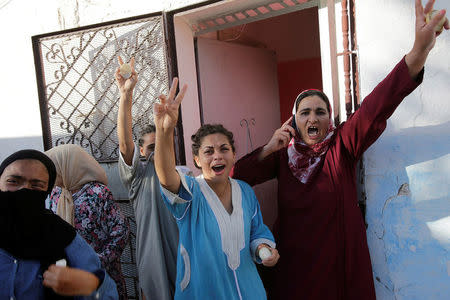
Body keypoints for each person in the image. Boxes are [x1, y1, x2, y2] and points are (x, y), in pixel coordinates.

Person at [231, 1, 449, 299]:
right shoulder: (281, 157)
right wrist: (268, 148)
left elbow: (377, 106)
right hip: (294, 273)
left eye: (320, 111)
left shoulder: (342, 146)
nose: (312, 118)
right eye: (304, 112)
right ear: (293, 120)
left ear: (329, 119)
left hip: (339, 273)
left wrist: (418, 53)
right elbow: (236, 175)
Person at [154, 78, 280, 299]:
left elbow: (256, 232)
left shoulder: (245, 191)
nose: (217, 156)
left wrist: (263, 250)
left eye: (224, 149)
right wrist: (165, 131)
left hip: (249, 291)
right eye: (208, 151)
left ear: (233, 155)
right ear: (196, 160)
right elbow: (165, 176)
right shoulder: (191, 193)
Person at [0, 149, 118, 299]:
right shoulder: (59, 193)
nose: (24, 190)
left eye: (36, 185)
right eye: (13, 181)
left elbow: (105, 290)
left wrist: (90, 285)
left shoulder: (63, 235)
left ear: (46, 190)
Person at [115, 56, 179, 300]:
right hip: (152, 259)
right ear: (141, 151)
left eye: (162, 142)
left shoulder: (180, 174)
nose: (156, 150)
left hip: (182, 254)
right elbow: (124, 141)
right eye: (151, 147)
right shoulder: (138, 176)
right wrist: (126, 95)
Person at [45, 144, 130, 299]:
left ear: (67, 167)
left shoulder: (98, 193)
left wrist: (98, 261)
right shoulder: (56, 194)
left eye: (54, 169)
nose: (51, 175)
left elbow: (121, 231)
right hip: (68, 275)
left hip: (100, 274)